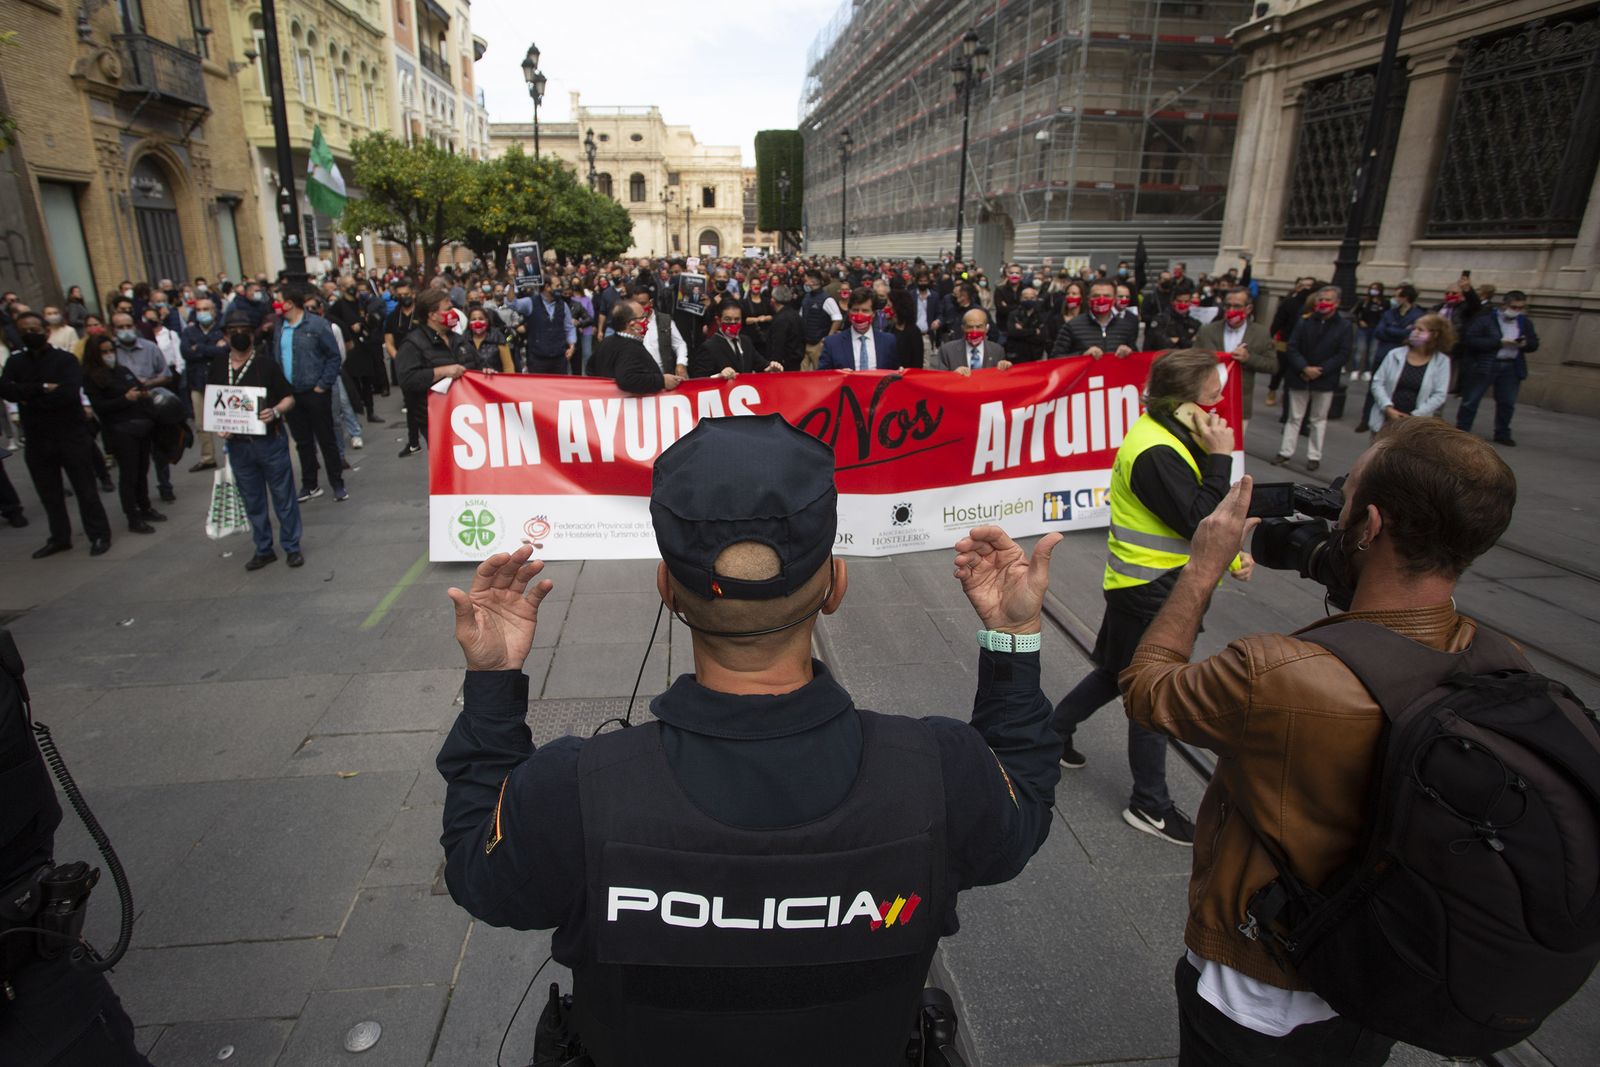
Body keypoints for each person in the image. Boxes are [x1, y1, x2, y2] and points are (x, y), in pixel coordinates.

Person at [436, 414, 1062, 1064]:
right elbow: (1024, 811)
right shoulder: (940, 773)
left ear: (666, 588)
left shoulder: (572, 791)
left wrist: (492, 679)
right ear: (835, 586)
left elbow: (476, 871)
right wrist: (1011, 638)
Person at [1120, 420, 1523, 1066]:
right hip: (1377, 978)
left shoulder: (1277, 673)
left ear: (1368, 527)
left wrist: (1200, 570)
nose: (1333, 508)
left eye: (1345, 498)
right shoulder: (1500, 659)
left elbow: (1147, 690)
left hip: (1257, 993)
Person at [1052, 349, 1249, 845]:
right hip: (1152, 592)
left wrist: (1231, 557)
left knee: (1115, 672)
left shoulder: (1171, 436)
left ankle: (1050, 734)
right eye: (1212, 394)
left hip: (1144, 586)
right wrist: (1222, 457)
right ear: (1185, 401)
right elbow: (1198, 519)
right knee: (1152, 694)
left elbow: (1191, 517)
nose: (1220, 402)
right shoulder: (1157, 449)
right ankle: (1150, 805)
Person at [0, 311, 113, 557]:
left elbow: (68, 394)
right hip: (38, 438)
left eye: (35, 330)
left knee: (85, 489)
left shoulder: (65, 360)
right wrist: (42, 388)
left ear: (46, 332)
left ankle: (99, 534)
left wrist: (28, 396)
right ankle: (60, 537)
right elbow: (7, 390)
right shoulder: (16, 362)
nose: (30, 335)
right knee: (49, 493)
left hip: (71, 435)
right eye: (24, 331)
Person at [209, 312, 303, 570]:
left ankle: (291, 546)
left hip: (269, 442)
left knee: (283, 496)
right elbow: (215, 404)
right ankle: (263, 548)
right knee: (253, 500)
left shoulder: (266, 365)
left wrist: (275, 411)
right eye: (234, 330)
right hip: (239, 446)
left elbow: (289, 398)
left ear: (252, 335)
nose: (239, 335)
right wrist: (221, 427)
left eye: (245, 330)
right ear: (225, 336)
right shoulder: (218, 366)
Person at [271, 287, 347, 503]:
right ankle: (310, 483)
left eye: (278, 301)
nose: (275, 305)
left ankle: (337, 483)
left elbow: (334, 357)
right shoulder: (280, 327)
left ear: (289, 303)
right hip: (291, 395)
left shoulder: (317, 325)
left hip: (315, 392)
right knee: (302, 442)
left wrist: (322, 385)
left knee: (326, 439)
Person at [82, 333, 162, 534]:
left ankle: (145, 507)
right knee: (129, 475)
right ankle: (132, 516)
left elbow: (139, 386)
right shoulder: (92, 378)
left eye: (111, 351)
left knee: (142, 470)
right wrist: (125, 399)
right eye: (104, 352)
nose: (109, 355)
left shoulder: (122, 370)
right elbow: (100, 407)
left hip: (140, 426)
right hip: (119, 430)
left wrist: (142, 393)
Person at [1273, 287, 1350, 472]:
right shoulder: (1304, 321)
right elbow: (1292, 347)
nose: (1323, 303)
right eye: (1320, 299)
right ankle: (1285, 452)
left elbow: (1343, 353)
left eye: (1328, 300)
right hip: (1300, 376)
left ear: (1336, 303)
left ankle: (1314, 456)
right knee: (1294, 417)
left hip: (1325, 380)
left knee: (1318, 419)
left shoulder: (1344, 326)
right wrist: (1304, 367)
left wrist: (1321, 370)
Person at [110, 310, 179, 503]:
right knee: (136, 457)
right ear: (113, 330)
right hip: (127, 410)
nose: (126, 330)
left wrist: (145, 385)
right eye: (120, 327)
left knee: (160, 451)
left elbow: (166, 375)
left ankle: (165, 486)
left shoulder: (150, 348)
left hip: (152, 403)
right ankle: (140, 498)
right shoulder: (110, 352)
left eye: (128, 326)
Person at [1456, 290, 1537, 447]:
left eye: (1521, 308)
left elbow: (1534, 344)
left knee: (1507, 402)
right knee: (1471, 400)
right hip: (1486, 363)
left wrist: (1525, 343)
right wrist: (1498, 342)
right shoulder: (1486, 319)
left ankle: (1502, 432)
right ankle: (1462, 431)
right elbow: (1470, 340)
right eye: (1514, 307)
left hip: (1511, 366)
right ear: (1504, 305)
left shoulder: (1524, 322)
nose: (1517, 311)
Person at [394, 289, 470, 455]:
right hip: (434, 419)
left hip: (464, 415)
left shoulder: (458, 339)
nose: (453, 312)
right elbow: (407, 379)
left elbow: (475, 364)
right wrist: (443, 371)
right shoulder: (413, 344)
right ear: (432, 315)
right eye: (447, 309)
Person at [1196, 288, 1276, 432]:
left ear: (1248, 308)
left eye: (1237, 306)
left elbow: (1272, 365)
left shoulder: (1260, 333)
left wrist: (1249, 358)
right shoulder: (1208, 331)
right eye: (1228, 306)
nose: (1231, 310)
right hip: (1207, 402)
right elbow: (1193, 360)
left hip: (1239, 403)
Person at [1367, 313, 1453, 438]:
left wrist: (1414, 416)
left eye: (1420, 330)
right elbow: (1378, 382)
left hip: (1415, 426)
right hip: (1386, 421)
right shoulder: (1395, 354)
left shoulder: (1441, 361)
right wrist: (1387, 407)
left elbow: (1439, 394)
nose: (1415, 332)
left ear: (1435, 334)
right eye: (1414, 328)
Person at [1360, 285, 1423, 431]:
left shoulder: (1417, 315)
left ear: (1406, 297)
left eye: (1398, 296)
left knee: (1395, 387)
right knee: (1375, 387)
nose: (1394, 299)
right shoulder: (1389, 313)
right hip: (1383, 354)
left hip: (1404, 358)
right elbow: (1379, 331)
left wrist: (1392, 330)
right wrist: (1402, 331)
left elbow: (1410, 335)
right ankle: (1366, 418)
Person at [180, 296, 228, 472]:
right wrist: (212, 348)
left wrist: (199, 348)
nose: (202, 313)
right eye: (198, 310)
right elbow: (186, 352)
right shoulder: (189, 332)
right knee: (201, 424)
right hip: (197, 381)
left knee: (226, 421)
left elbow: (225, 351)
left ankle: (232, 454)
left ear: (214, 311)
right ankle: (207, 457)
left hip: (219, 381)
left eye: (205, 309)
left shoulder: (222, 330)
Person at [588, 302, 679, 394]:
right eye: (643, 317)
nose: (647, 321)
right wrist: (662, 381)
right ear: (631, 324)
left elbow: (590, 369)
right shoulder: (631, 349)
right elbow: (627, 379)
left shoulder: (606, 342)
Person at [692, 303, 783, 379]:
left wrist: (770, 367)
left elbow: (761, 364)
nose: (733, 323)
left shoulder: (746, 341)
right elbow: (699, 379)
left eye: (737, 319)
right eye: (728, 319)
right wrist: (719, 376)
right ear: (718, 320)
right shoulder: (709, 346)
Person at [1053, 281, 1139, 359]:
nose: (1101, 300)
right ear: (1088, 300)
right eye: (1096, 296)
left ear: (1114, 300)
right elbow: (1055, 358)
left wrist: (1130, 353)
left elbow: (1138, 359)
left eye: (1106, 296)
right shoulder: (1072, 326)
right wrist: (1082, 355)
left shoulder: (1125, 327)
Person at [819, 291, 899, 371]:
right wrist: (838, 375)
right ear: (849, 311)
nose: (859, 316)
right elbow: (822, 376)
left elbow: (894, 373)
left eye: (865, 311)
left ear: (873, 313)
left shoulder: (888, 341)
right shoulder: (832, 343)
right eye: (855, 310)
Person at [932, 308, 1006, 375]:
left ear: (987, 328)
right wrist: (953, 375)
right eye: (970, 327)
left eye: (979, 327)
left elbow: (1001, 381)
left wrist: (1007, 369)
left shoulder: (997, 351)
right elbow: (940, 380)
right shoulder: (947, 351)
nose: (974, 331)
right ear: (963, 328)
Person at [799, 268, 843, 370]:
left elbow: (837, 318)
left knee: (819, 372)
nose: (805, 283)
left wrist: (828, 338)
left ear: (812, 281)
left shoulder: (827, 299)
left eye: (806, 280)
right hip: (805, 342)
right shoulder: (806, 297)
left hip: (818, 344)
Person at [765, 285, 805, 372]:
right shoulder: (795, 314)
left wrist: (774, 363)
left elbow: (778, 344)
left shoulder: (780, 319)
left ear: (773, 300)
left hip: (784, 365)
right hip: (796, 360)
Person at [463, 306, 514, 373]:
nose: (477, 323)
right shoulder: (462, 340)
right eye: (473, 319)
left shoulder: (498, 338)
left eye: (481, 319)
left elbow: (508, 367)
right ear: (469, 322)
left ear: (487, 321)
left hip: (494, 382)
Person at [1352, 282, 1386, 381]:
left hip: (1376, 329)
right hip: (1363, 328)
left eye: (1376, 289)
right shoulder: (1364, 301)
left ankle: (1368, 371)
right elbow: (1355, 313)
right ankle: (1356, 369)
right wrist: (1359, 321)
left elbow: (1385, 316)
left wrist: (1380, 306)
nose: (1373, 291)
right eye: (1372, 288)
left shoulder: (1384, 303)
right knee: (1359, 349)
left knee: (1372, 351)